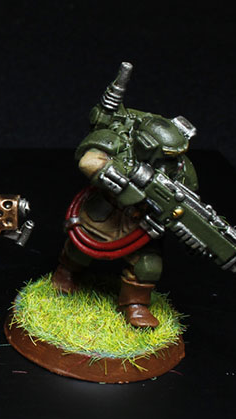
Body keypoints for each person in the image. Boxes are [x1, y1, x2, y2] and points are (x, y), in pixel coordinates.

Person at [51, 113, 197, 328]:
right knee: (81, 245)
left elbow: (185, 202)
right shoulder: (122, 143)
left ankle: (135, 305)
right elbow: (88, 160)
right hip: (108, 209)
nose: (171, 160)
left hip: (142, 223)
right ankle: (66, 274)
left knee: (148, 265)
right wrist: (120, 179)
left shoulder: (181, 170)